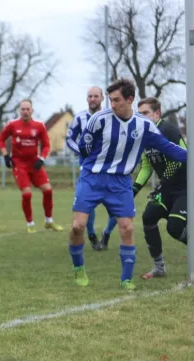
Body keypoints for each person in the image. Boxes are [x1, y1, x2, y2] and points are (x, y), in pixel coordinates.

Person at [69, 79, 187, 291]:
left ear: (130, 99)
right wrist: (93, 162)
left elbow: (167, 148)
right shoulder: (99, 119)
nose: (112, 105)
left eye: (117, 100)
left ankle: (126, 279)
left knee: (127, 228)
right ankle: (79, 268)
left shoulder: (144, 126)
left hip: (121, 181)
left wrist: (189, 156)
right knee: (77, 226)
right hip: (93, 178)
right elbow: (83, 146)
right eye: (111, 100)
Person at [131, 97, 187, 280]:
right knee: (148, 217)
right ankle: (159, 267)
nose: (142, 118)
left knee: (175, 227)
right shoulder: (144, 135)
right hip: (166, 189)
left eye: (146, 113)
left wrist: (162, 183)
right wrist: (133, 190)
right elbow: (147, 166)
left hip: (185, 188)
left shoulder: (168, 130)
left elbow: (181, 158)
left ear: (157, 113)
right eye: (139, 115)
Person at [0, 99, 63, 233]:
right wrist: (5, 155)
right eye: (23, 109)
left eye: (28, 109)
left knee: (48, 191)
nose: (25, 111)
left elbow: (46, 145)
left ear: (32, 111)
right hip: (19, 165)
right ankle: (30, 224)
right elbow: (0, 139)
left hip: (35, 164)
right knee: (27, 194)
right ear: (19, 111)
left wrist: (42, 158)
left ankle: (49, 221)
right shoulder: (13, 125)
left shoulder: (39, 126)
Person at [66, 86, 117, 250]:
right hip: (88, 169)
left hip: (111, 170)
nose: (93, 99)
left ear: (103, 98)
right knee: (87, 205)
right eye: (90, 96)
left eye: (96, 96)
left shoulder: (112, 117)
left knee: (118, 208)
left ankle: (107, 233)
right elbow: (70, 138)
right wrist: (80, 150)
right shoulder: (80, 118)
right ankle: (92, 235)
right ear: (87, 99)